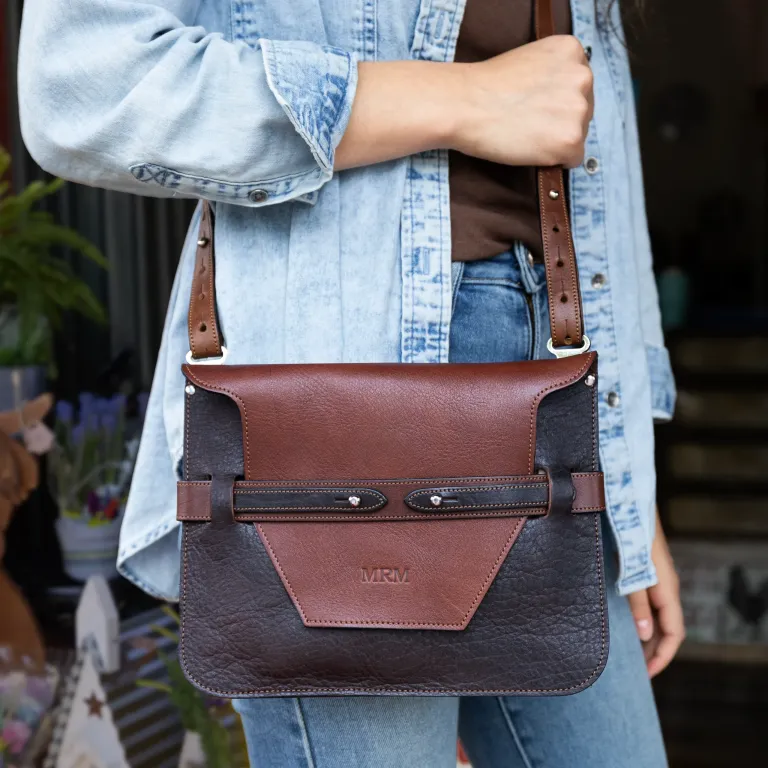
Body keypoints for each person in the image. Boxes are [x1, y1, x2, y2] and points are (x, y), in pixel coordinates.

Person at [18, 0, 682, 765]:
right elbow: (82, 82)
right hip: (335, 418)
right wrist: (464, 100)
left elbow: (593, 159)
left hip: (552, 425)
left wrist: (630, 493)